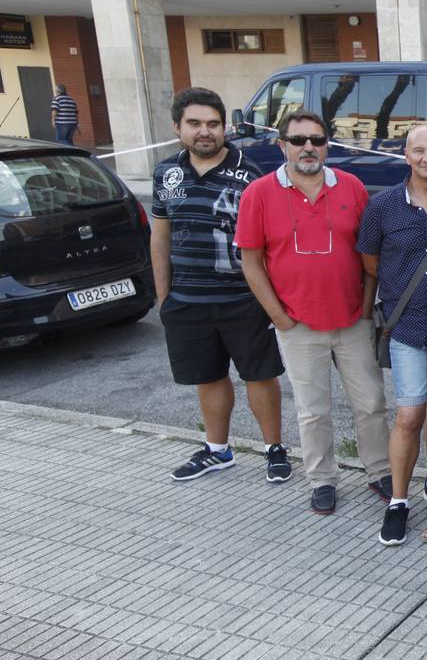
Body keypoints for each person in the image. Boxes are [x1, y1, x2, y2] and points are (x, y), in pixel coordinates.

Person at [235, 111, 391, 516]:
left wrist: (366, 309)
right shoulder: (258, 193)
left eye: (317, 140)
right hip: (298, 324)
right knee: (312, 410)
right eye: (298, 140)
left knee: (372, 403)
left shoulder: (352, 187)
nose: (308, 148)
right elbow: (251, 262)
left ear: (327, 146)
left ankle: (380, 471)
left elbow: (369, 254)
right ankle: (322, 479)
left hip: (353, 320)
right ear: (282, 145)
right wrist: (280, 318)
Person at [151, 87, 290, 484]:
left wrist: (270, 301)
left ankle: (274, 449)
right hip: (187, 300)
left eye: (213, 124)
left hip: (243, 299)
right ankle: (217, 450)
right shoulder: (166, 173)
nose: (205, 131)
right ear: (177, 127)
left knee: (259, 376)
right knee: (208, 377)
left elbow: (270, 242)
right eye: (194, 123)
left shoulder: (252, 174)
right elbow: (160, 237)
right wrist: (164, 298)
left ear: (224, 127)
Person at [356, 125, 427, 545]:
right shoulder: (382, 206)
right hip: (405, 326)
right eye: (419, 151)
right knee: (409, 415)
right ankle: (398, 501)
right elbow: (369, 260)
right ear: (406, 155)